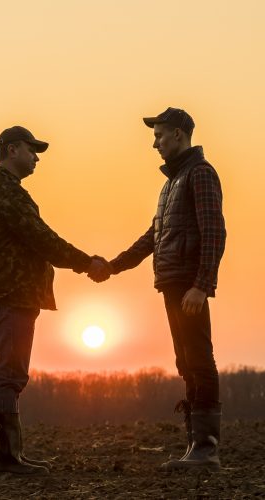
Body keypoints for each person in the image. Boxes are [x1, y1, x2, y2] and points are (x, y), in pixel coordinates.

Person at [90, 107, 226, 471]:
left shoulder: (200, 174)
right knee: (186, 362)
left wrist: (202, 285)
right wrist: (113, 267)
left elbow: (214, 232)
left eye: (160, 135)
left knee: (199, 358)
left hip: (187, 284)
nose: (155, 143)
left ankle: (207, 448)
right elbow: (154, 236)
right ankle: (195, 446)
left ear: (179, 134)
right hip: (171, 281)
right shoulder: (171, 184)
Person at [0, 125, 110, 479]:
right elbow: (42, 238)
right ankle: (5, 460)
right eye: (32, 151)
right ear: (13, 149)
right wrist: (86, 263)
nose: (36, 158)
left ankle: (10, 457)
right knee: (8, 374)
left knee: (12, 373)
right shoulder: (5, 192)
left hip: (10, 293)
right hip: (10, 293)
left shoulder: (1, 191)